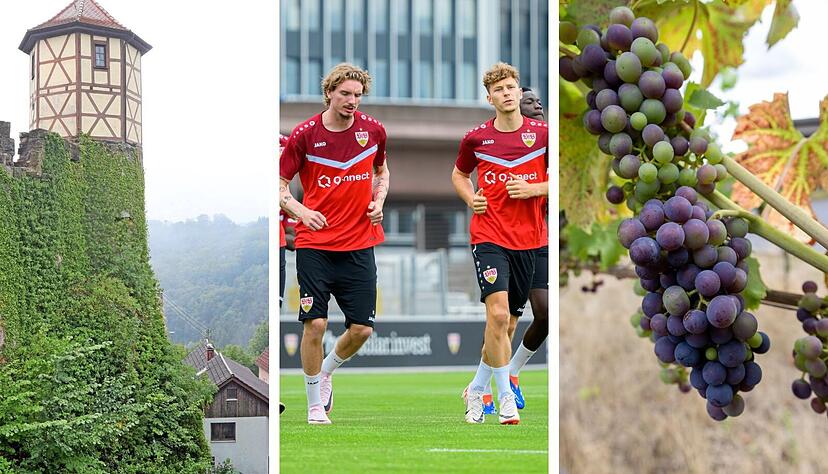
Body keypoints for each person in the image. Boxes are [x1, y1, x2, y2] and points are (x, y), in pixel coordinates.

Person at [280, 63, 390, 425]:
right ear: (329, 92)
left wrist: (380, 200)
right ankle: (314, 405)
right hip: (315, 244)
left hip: (360, 243)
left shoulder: (373, 131)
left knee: (362, 329)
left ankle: (326, 372)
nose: (352, 101)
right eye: (345, 94)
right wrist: (300, 211)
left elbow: (381, 172)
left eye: (357, 95)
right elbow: (279, 187)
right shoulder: (305, 134)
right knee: (315, 324)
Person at [452, 63, 548, 425]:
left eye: (512, 87)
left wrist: (534, 189)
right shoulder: (476, 138)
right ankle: (505, 397)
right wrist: (469, 196)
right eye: (500, 89)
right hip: (489, 235)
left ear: (518, 91)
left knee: (505, 326)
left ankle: (476, 389)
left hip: (530, 240)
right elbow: (459, 174)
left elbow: (560, 179)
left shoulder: (542, 135)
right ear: (489, 97)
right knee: (497, 315)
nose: (507, 93)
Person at [507, 86, 549, 409]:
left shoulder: (551, 143)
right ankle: (486, 383)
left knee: (546, 314)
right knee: (504, 317)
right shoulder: (508, 147)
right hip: (510, 240)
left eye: (538, 101)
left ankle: (511, 371)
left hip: (543, 239)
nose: (537, 105)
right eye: (529, 102)